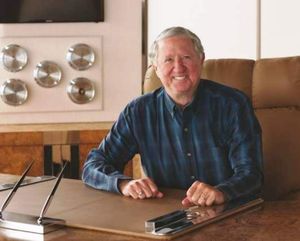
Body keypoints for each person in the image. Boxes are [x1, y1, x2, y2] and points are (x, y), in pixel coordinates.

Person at [82, 26, 263, 207]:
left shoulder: (233, 105)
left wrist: (222, 192)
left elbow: (252, 174)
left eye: (186, 57)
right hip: (166, 217)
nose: (178, 68)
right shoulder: (138, 112)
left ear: (201, 60)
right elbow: (93, 166)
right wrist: (124, 184)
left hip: (226, 213)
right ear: (156, 68)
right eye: (168, 60)